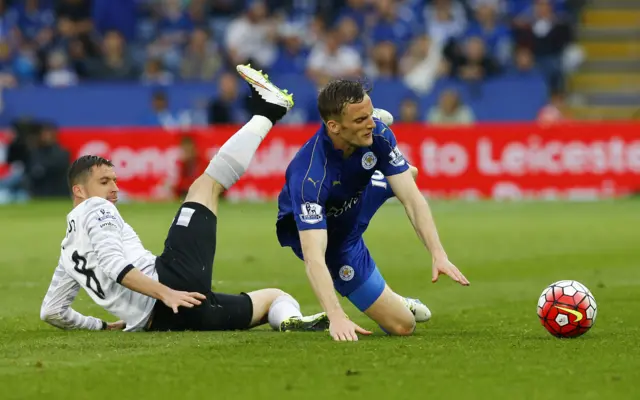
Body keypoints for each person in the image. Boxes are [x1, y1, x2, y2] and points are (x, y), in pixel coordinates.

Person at [40, 65, 329, 333]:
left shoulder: (68, 253)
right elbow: (116, 267)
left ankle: (291, 321)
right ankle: (270, 110)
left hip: (168, 320)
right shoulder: (95, 207)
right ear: (79, 191)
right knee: (206, 186)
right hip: (171, 287)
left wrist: (101, 326)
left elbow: (52, 312)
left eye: (115, 180)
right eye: (104, 182)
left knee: (274, 298)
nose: (114, 189)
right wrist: (165, 292)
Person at [276, 79, 470, 342]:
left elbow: (413, 200)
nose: (371, 124)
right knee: (403, 325)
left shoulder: (377, 133)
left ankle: (384, 181)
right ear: (333, 126)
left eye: (370, 115)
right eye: (360, 120)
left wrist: (438, 254)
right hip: (332, 237)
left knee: (406, 180)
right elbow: (314, 257)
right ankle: (395, 300)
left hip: (356, 201)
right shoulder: (309, 176)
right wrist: (335, 315)